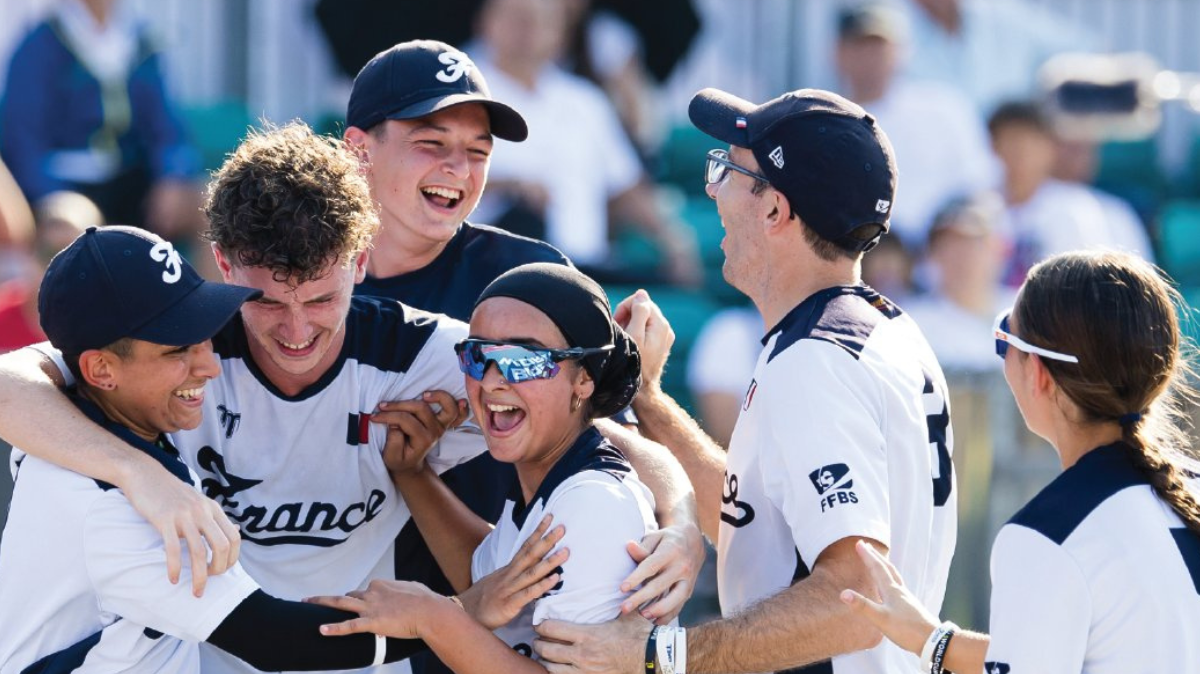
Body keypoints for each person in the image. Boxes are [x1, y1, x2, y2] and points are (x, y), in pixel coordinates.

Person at [0, 123, 700, 674]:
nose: (296, 331)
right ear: (225, 265)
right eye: (266, 302)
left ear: (361, 263)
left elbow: (602, 427)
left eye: (321, 300)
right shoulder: (183, 354)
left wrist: (682, 522)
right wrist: (140, 474)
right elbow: (10, 382)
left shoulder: (425, 356)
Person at [533, 88, 958, 673]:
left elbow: (857, 601)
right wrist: (650, 402)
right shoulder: (880, 329)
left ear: (775, 210)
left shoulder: (816, 360)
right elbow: (753, 526)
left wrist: (659, 656)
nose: (712, 190)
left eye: (727, 170)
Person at [341, 44, 702, 674]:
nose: (459, 168)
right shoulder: (306, 281)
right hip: (343, 610)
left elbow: (608, 433)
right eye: (432, 143)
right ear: (359, 149)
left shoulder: (523, 279)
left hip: (504, 616)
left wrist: (683, 524)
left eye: (478, 151)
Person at [0, 225, 428, 673]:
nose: (209, 365)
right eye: (178, 350)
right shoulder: (115, 510)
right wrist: (447, 620)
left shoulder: (75, 422)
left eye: (204, 334)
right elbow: (277, 640)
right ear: (102, 370)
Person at [841, 250, 1200, 674]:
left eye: (1005, 339)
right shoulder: (1186, 490)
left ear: (1039, 374)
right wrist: (931, 639)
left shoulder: (1047, 536)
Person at [309, 263, 661, 673]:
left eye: (522, 360)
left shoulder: (593, 505)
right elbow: (488, 582)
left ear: (584, 379)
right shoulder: (547, 483)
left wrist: (432, 616)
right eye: (477, 357)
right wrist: (413, 474)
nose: (492, 381)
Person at [464, 0, 702, 286]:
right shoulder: (457, 96)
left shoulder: (585, 100)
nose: (529, 30)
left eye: (543, 21)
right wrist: (511, 186)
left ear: (562, 33)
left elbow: (626, 187)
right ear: (485, 22)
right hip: (490, 269)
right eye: (518, 17)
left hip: (583, 269)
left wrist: (672, 240)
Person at [0, 0, 204, 237]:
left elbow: (168, 128)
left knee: (209, 209)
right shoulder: (39, 45)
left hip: (131, 182)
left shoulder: (141, 41)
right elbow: (23, 142)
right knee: (73, 225)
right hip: (67, 186)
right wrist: (52, 195)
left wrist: (173, 175)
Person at [834, 2, 995, 247]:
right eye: (860, 46)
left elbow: (980, 188)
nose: (870, 57)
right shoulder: (823, 122)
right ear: (838, 53)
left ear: (902, 51)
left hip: (939, 257)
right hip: (859, 257)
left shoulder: (944, 109)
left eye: (879, 46)